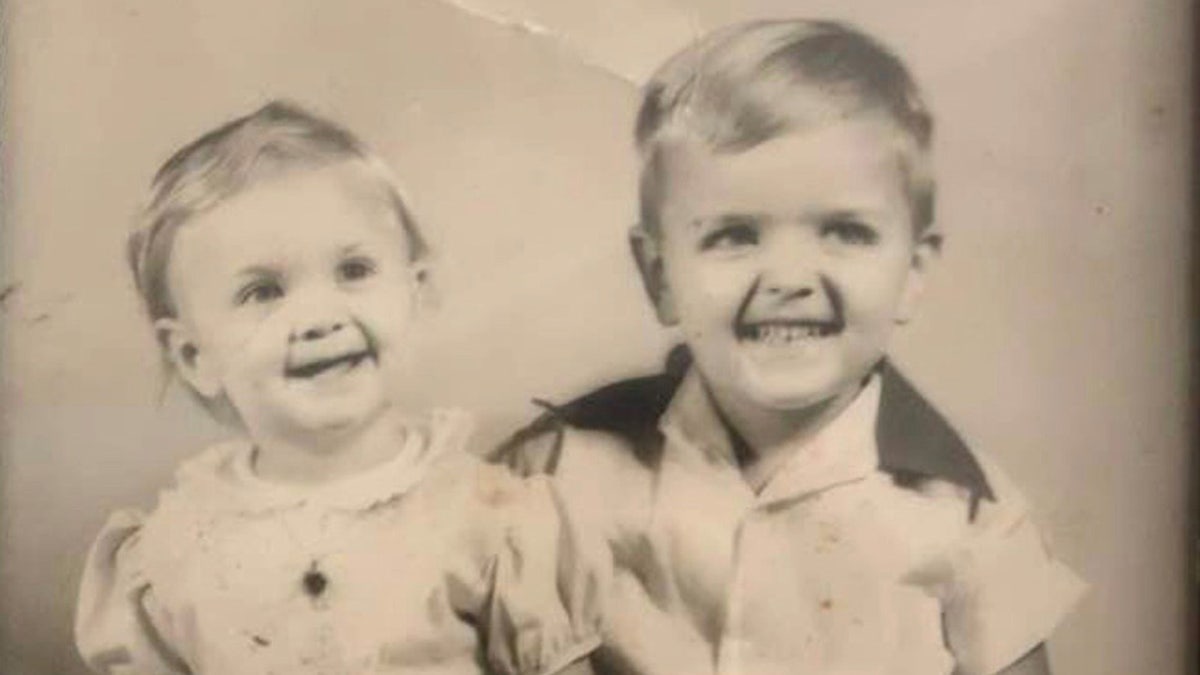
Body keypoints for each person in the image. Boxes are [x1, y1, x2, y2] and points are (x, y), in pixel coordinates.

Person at [494, 20, 1085, 675]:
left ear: (913, 273)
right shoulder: (559, 469)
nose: (788, 278)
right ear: (660, 275)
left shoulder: (970, 516)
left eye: (845, 231)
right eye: (735, 235)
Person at [75, 101, 599, 675]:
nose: (320, 316)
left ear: (415, 293)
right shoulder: (169, 557)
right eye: (263, 291)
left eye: (353, 271)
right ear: (195, 356)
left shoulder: (493, 520)